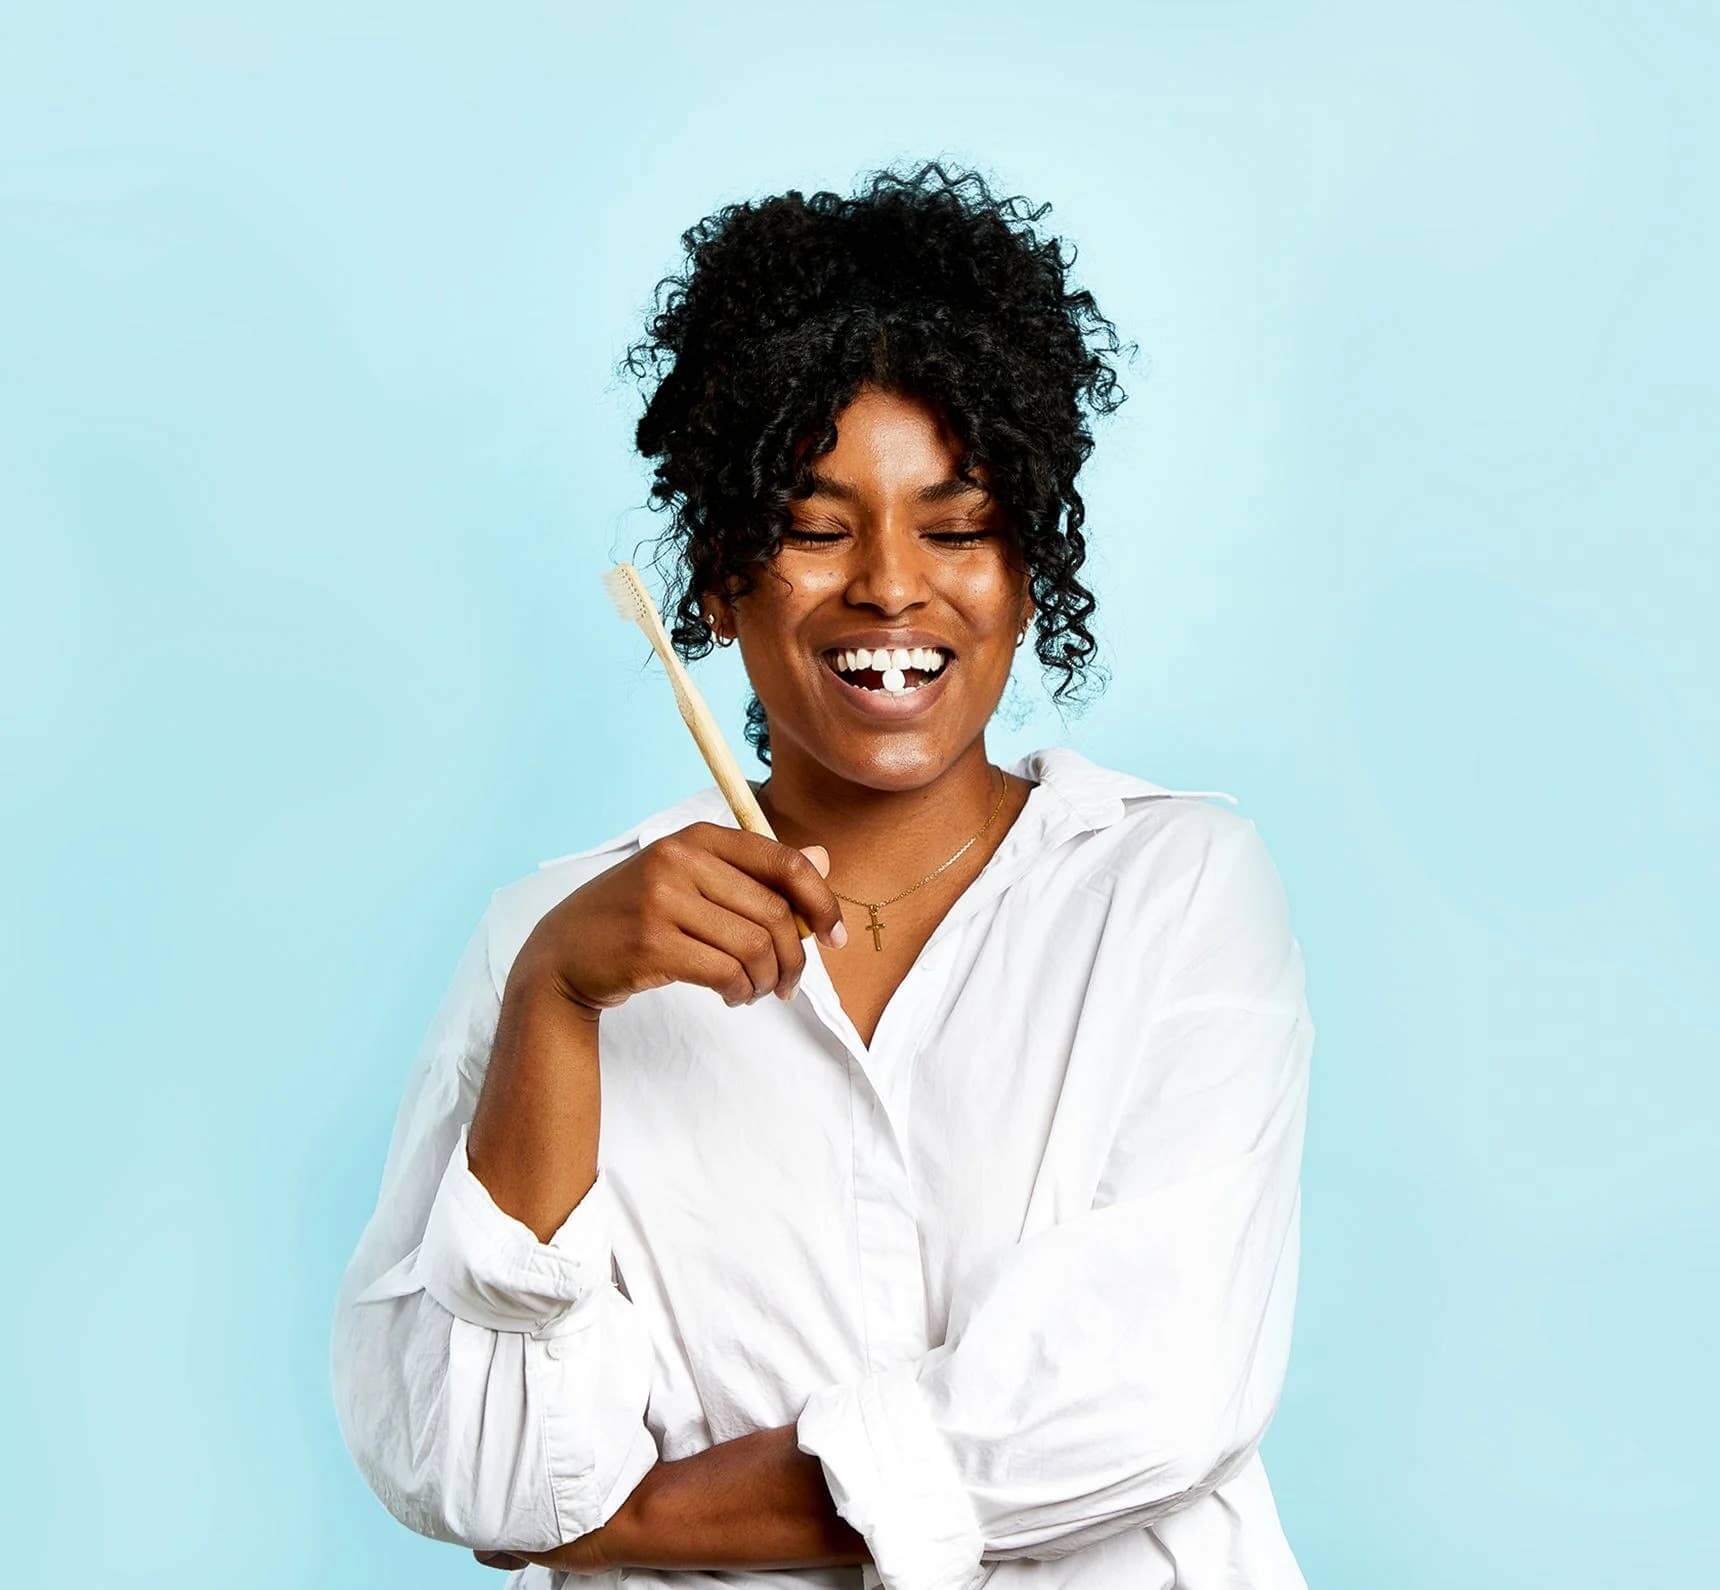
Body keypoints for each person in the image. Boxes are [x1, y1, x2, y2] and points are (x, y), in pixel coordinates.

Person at [330, 161, 1314, 1590]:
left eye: (959, 525)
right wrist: (556, 998)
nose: (892, 586)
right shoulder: (553, 943)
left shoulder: (1172, 892)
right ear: (720, 575)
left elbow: (1146, 1389)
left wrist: (640, 1520)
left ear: (1031, 566)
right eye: (813, 525)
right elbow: (483, 1467)